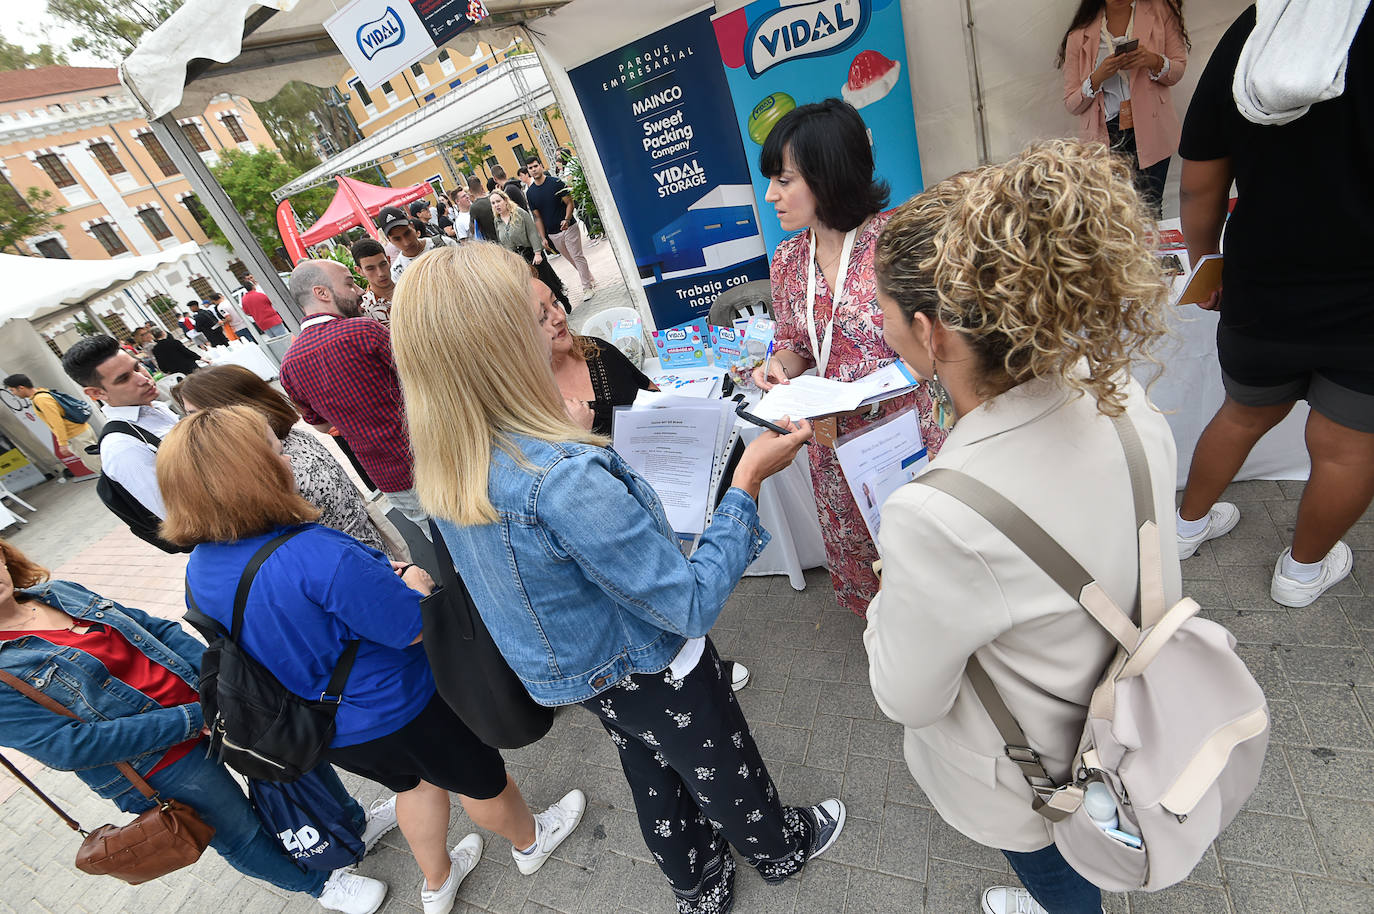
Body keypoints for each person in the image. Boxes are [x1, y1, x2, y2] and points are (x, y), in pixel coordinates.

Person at [391, 244, 844, 914]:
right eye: (532, 303)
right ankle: (778, 849)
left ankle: (698, 882)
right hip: (651, 657)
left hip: (585, 671)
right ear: (499, 341)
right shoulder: (562, 477)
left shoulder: (452, 453)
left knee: (651, 767)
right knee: (719, 761)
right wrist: (745, 481)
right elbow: (687, 603)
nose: (552, 314)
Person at [864, 140, 1176, 914]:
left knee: (1064, 874)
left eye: (887, 309)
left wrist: (885, 598)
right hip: (1142, 707)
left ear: (932, 332)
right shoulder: (1121, 397)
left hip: (1046, 768)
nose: (880, 321)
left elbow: (906, 697)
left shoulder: (937, 516)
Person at [157, 406, 585, 914]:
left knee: (415, 783)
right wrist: (412, 582)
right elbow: (408, 628)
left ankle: (438, 881)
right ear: (257, 474)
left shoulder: (200, 567)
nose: (287, 457)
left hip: (325, 727)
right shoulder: (316, 552)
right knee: (482, 780)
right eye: (276, 451)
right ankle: (532, 842)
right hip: (402, 706)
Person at [0, 538, 393, 914]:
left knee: (295, 762)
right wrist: (192, 720)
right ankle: (319, 884)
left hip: (207, 703)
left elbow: (155, 630)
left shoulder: (57, 593)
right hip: (152, 761)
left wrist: (221, 685)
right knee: (239, 829)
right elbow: (66, 747)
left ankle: (352, 826)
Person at [1172, 5, 1374, 607]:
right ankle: (1302, 573)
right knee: (1349, 447)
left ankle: (1182, 530)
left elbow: (1200, 179)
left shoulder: (1261, 26)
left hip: (1262, 283)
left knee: (1241, 412)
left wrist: (1206, 263)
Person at [751, 97, 948, 617]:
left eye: (784, 179)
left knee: (933, 555)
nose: (771, 194)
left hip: (906, 436)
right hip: (834, 446)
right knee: (871, 568)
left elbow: (940, 340)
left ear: (827, 175)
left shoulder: (896, 242)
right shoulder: (789, 259)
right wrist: (780, 367)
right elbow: (796, 341)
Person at [175, 365, 390, 555]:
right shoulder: (294, 436)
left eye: (197, 414)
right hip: (371, 550)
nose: (193, 424)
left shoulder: (278, 472)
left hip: (355, 568)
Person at [278, 259, 428, 529]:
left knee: (443, 546)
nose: (359, 291)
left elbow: (322, 425)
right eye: (349, 283)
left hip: (387, 475)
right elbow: (425, 378)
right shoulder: (363, 331)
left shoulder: (289, 366)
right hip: (432, 456)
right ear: (322, 293)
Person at [1058, 0, 1189, 215]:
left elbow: (1178, 69)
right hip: (1105, 136)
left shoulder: (1161, 10)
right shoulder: (1079, 33)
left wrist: (1153, 60)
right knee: (1114, 215)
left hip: (1152, 129)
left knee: (1150, 210)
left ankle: (1151, 249)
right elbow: (1072, 103)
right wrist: (1097, 77)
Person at [62, 335, 178, 519]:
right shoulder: (123, 447)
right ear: (96, 393)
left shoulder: (156, 408)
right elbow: (174, 515)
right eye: (124, 378)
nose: (142, 378)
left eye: (137, 366)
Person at [525, 156, 595, 300]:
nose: (533, 169)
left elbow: (570, 202)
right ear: (528, 171)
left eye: (535, 166)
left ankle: (587, 287)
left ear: (541, 166)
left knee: (577, 255)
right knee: (571, 259)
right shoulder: (530, 193)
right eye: (530, 168)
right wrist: (543, 237)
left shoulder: (556, 183)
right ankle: (589, 278)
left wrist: (567, 219)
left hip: (569, 227)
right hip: (552, 234)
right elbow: (537, 217)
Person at [491, 189, 571, 313]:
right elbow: (502, 242)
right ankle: (546, 311)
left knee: (547, 282)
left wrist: (538, 253)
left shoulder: (519, 213)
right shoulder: (497, 221)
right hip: (517, 258)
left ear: (505, 200)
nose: (496, 205)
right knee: (531, 287)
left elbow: (532, 232)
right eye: (493, 203)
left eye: (498, 201)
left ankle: (562, 299)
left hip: (531, 252)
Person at [3, 374, 100, 472]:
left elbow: (57, 422)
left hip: (76, 436)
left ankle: (114, 484)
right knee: (100, 461)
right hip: (82, 430)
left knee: (97, 465)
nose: (13, 394)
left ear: (21, 388)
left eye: (12, 390)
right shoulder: (43, 392)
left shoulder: (41, 400)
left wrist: (62, 444)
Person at [379, 207, 453, 285]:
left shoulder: (444, 243)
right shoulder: (397, 273)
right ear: (389, 240)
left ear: (412, 226)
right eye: (397, 239)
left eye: (407, 233)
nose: (406, 242)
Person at [350, 238, 397, 324]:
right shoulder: (364, 310)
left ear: (389, 261)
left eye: (383, 264)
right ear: (359, 271)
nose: (380, 273)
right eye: (370, 268)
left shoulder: (410, 287)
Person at [466, 175, 497, 241]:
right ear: (482, 186)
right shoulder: (494, 198)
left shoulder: (474, 207)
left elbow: (473, 229)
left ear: (470, 191)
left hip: (492, 242)